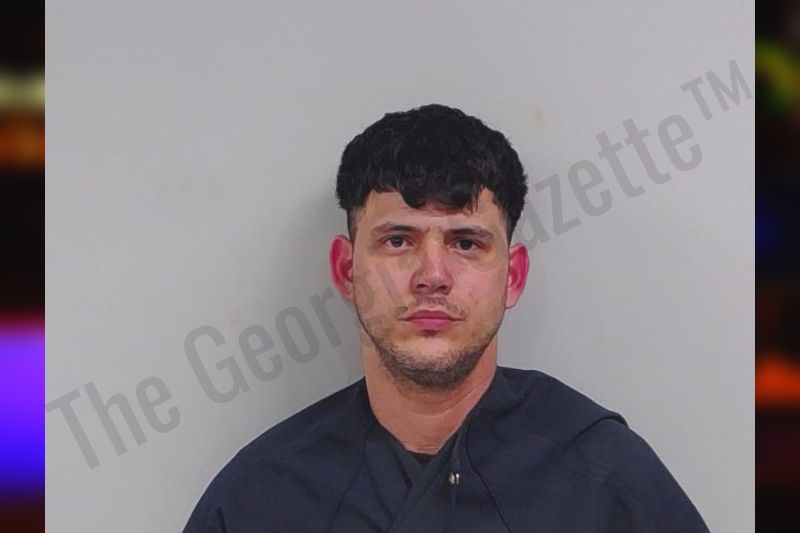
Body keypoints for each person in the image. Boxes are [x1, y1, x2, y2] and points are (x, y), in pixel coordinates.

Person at [184, 104, 709, 532]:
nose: (432, 276)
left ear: (513, 276)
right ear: (346, 271)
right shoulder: (261, 498)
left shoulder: (604, 482)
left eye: (466, 242)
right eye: (398, 241)